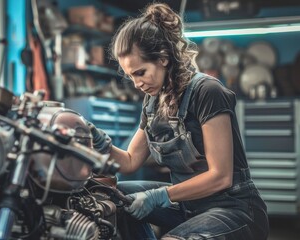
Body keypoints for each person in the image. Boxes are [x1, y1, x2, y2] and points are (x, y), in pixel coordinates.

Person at [88, 3, 269, 239]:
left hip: (232, 208)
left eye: (140, 72)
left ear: (163, 58)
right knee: (113, 196)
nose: (136, 84)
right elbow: (130, 161)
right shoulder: (153, 102)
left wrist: (160, 196)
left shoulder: (207, 91)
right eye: (130, 76)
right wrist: (100, 142)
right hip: (188, 205)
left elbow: (221, 176)